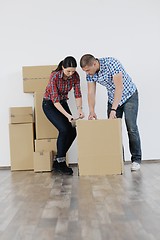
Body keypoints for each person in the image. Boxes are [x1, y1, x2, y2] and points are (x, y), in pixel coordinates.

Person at [80, 54, 142, 171]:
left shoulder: (111, 64)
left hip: (129, 96)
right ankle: (118, 162)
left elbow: (119, 88)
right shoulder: (90, 74)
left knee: (131, 127)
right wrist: (92, 111)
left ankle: (136, 160)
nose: (87, 73)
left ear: (94, 64)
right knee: (113, 130)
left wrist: (113, 110)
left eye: (88, 70)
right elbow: (91, 92)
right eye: (85, 71)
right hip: (113, 98)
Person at [42, 56, 84, 175]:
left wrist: (79, 110)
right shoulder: (55, 76)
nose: (71, 74)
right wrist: (68, 115)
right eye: (68, 71)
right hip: (50, 104)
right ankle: (60, 162)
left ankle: (58, 159)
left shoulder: (75, 76)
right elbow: (55, 101)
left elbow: (77, 94)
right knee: (64, 129)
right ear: (62, 67)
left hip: (62, 102)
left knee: (73, 132)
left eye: (73, 71)